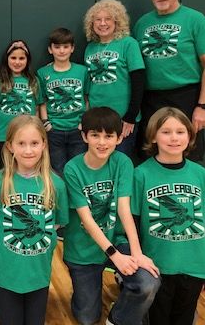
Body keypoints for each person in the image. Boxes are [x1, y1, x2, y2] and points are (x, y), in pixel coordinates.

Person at [63, 107, 160, 325]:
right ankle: (97, 284)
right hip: (83, 249)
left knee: (147, 283)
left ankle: (117, 318)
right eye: (95, 135)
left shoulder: (122, 162)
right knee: (87, 317)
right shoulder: (72, 169)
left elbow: (124, 209)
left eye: (109, 136)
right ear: (84, 136)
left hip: (116, 239)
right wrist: (114, 255)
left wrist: (136, 253)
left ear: (119, 138)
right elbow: (87, 220)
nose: (102, 142)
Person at [133, 107, 205, 325]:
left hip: (193, 267)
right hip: (158, 266)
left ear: (190, 136)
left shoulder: (202, 175)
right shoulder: (141, 174)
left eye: (180, 132)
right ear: (153, 136)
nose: (174, 138)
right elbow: (133, 223)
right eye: (166, 132)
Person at [0, 115, 69, 325]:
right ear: (9, 146)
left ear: (44, 144)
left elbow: (56, 223)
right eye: (21, 143)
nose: (28, 150)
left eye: (34, 143)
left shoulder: (56, 185)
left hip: (38, 270)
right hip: (6, 268)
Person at [133, 0, 205, 162]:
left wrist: (204, 106)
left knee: (187, 153)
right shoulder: (142, 24)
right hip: (150, 100)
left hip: (186, 97)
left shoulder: (195, 19)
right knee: (150, 154)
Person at [84, 0, 145, 159]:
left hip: (122, 119)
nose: (102, 23)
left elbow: (139, 81)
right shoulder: (90, 48)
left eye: (108, 19)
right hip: (97, 117)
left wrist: (131, 115)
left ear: (117, 21)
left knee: (121, 162)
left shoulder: (128, 43)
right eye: (98, 19)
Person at [37, 28, 89, 175]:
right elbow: (42, 101)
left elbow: (87, 98)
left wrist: (83, 122)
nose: (61, 51)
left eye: (66, 47)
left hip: (77, 129)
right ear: (50, 49)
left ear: (72, 48)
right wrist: (46, 123)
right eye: (57, 47)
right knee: (57, 170)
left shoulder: (82, 71)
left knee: (77, 169)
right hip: (54, 130)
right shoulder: (42, 73)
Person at [0, 39, 41, 167]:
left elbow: (37, 110)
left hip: (27, 136)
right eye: (13, 58)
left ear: (27, 60)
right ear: (7, 59)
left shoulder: (34, 81)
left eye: (21, 58)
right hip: (3, 136)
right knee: (6, 171)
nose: (17, 62)